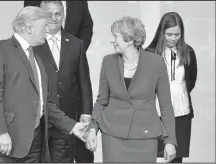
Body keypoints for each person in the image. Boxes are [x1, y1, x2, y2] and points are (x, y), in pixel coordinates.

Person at [0, 6, 89, 163]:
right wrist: (0, 132)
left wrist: (73, 126)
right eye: (44, 26)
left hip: (32, 146)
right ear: (28, 26)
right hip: (0, 146)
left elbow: (44, 103)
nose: (47, 31)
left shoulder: (37, 59)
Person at [85, 16, 177, 163]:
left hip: (145, 137)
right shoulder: (108, 62)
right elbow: (101, 101)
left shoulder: (156, 63)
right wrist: (92, 129)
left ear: (129, 39)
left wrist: (170, 140)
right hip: (113, 136)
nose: (112, 40)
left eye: (116, 36)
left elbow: (166, 106)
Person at [32, 1, 94, 163]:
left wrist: (86, 113)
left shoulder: (76, 44)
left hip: (67, 118)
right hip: (38, 119)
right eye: (48, 14)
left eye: (58, 14)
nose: (53, 18)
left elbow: (84, 83)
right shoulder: (32, 43)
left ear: (63, 15)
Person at [145, 12, 197, 163]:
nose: (173, 38)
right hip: (156, 114)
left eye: (177, 34)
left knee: (176, 158)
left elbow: (190, 81)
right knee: (156, 157)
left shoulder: (188, 52)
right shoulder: (150, 54)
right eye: (169, 34)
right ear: (161, 32)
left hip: (182, 113)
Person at [24, 0, 94, 52]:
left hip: (72, 64)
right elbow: (29, 27)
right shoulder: (32, 2)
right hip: (42, 61)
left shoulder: (80, 2)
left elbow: (86, 27)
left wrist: (76, 54)